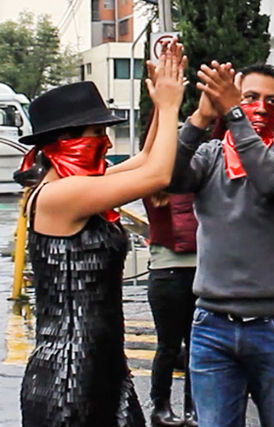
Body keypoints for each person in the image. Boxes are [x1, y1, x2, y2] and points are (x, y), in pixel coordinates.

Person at [19, 44, 186, 427]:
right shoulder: (61, 195)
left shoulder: (79, 186)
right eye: (98, 134)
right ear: (66, 140)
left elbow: (145, 160)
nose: (108, 144)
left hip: (107, 369)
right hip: (68, 377)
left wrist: (163, 103)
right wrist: (170, 105)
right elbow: (157, 176)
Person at [168, 61, 274, 427]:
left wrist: (234, 112)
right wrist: (201, 118)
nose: (261, 107)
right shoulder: (212, 156)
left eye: (272, 101)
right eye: (250, 97)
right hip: (212, 326)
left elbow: (268, 178)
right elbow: (170, 178)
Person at [143, 187, 199, 427]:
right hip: (167, 272)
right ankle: (161, 406)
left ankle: (193, 407)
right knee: (169, 346)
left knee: (196, 345)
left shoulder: (199, 173)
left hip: (201, 270)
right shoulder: (154, 181)